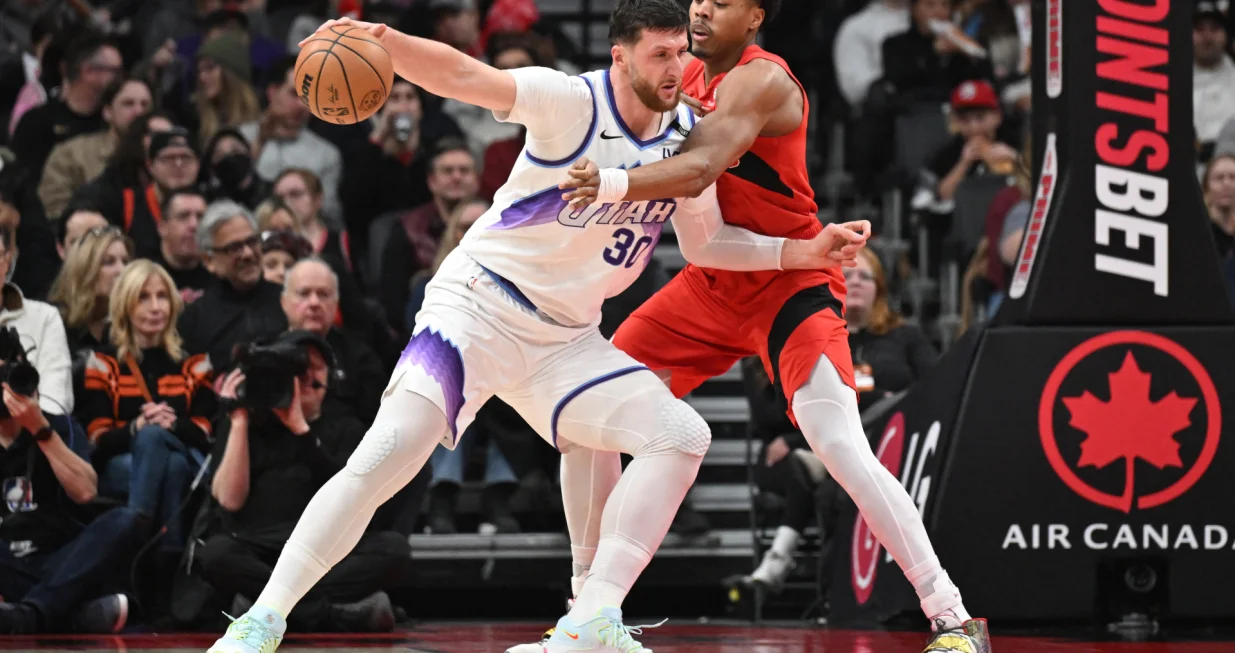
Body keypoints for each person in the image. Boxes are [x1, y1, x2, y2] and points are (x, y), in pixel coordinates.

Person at [205, 4, 866, 653]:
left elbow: (709, 244)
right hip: (477, 309)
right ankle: (262, 620)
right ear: (621, 56)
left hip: (564, 338)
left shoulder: (685, 133)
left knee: (680, 433)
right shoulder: (569, 100)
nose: (676, 67)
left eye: (680, 53)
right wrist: (381, 37)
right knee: (388, 456)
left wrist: (798, 252)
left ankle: (592, 616)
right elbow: (466, 77)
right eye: (659, 54)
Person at [554, 0, 988, 651]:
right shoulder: (679, 79)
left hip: (793, 279)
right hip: (716, 277)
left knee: (837, 442)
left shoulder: (763, 80)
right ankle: (586, 606)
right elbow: (704, 246)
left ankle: (952, 615)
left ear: (754, 16)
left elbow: (698, 169)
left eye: (720, 2)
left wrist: (610, 182)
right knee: (585, 410)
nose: (700, 9)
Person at [199, 331, 409, 633]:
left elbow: (352, 499)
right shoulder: (250, 421)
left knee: (394, 550)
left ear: (329, 380)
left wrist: (301, 429)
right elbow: (230, 500)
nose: (306, 378)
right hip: (261, 548)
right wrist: (239, 421)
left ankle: (265, 608)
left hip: (326, 552)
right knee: (216, 554)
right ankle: (336, 614)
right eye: (297, 369)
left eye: (316, 369)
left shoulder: (346, 426)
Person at [77, 261, 215, 553]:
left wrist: (172, 424)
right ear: (125, 303)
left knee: (166, 450)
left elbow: (205, 431)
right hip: (120, 465)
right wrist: (135, 428)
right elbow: (97, 439)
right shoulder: (104, 362)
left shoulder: (194, 360)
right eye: (143, 297)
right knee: (163, 455)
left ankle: (135, 529)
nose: (156, 307)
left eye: (162, 296)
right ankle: (168, 551)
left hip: (185, 460)